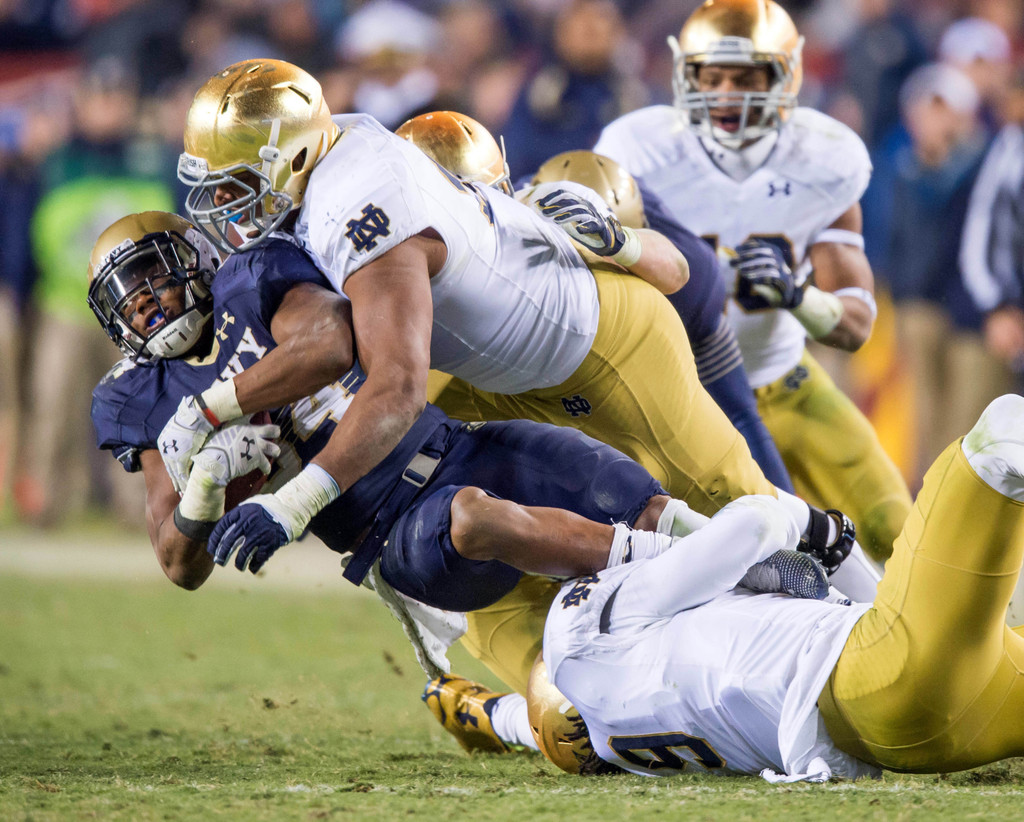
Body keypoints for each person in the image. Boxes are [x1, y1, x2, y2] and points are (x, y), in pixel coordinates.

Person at [171, 58, 867, 700]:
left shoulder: (359, 207)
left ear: (292, 156)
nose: (224, 209)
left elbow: (396, 387)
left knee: (733, 497)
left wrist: (292, 504)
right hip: (500, 368)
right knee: (506, 510)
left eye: (235, 187)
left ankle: (871, 618)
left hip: (603, 343)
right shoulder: (337, 145)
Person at [88, 211, 833, 756]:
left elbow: (329, 342)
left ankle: (757, 575)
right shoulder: (132, 400)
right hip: (391, 532)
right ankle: (708, 570)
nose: (147, 302)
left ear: (192, 258)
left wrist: (216, 406)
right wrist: (205, 490)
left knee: (611, 481)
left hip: (454, 444)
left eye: (152, 278)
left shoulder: (251, 280)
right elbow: (177, 562)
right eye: (129, 298)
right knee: (477, 527)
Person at [543, 393, 1024, 781]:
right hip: (876, 675)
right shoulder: (582, 630)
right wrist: (813, 528)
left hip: (904, 730)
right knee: (1000, 432)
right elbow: (755, 523)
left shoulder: (624, 741)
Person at [593, 0, 912, 565]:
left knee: (901, 531)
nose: (726, 95)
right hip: (689, 406)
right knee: (769, 560)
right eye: (710, 77)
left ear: (786, 74)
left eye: (745, 78)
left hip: (787, 382)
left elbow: (856, 324)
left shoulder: (822, 157)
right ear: (683, 74)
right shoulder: (639, 152)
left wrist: (798, 296)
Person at [393, 108, 792, 490]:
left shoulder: (549, 208)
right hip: (519, 386)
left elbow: (677, 271)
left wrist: (617, 241)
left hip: (620, 363)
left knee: (730, 483)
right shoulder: (395, 266)